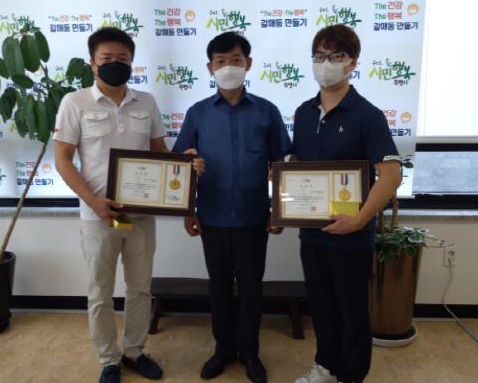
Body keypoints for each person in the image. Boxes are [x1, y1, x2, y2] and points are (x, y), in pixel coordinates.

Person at [54, 27, 203, 383]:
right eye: (106, 58)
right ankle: (109, 359)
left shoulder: (146, 102)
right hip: (97, 216)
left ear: (132, 62)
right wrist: (94, 202)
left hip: (141, 215)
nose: (115, 63)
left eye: (122, 58)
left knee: (140, 288)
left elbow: (159, 153)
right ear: (93, 63)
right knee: (100, 292)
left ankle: (134, 351)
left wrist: (185, 164)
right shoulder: (74, 103)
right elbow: (62, 160)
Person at [173, 31, 292, 383]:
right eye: (220, 61)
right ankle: (223, 349)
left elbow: (282, 165)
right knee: (220, 287)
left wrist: (280, 210)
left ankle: (250, 353)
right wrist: (188, 210)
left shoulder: (267, 111)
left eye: (235, 60)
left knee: (252, 288)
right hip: (212, 216)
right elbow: (181, 164)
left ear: (248, 64)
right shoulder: (197, 113)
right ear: (210, 67)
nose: (228, 67)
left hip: (254, 216)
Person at [292, 24, 401, 383]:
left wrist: (359, 219)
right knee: (321, 306)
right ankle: (326, 365)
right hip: (312, 233)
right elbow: (298, 167)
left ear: (352, 62)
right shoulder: (304, 113)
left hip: (352, 236)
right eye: (320, 56)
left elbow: (390, 176)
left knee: (352, 310)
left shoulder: (368, 115)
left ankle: (351, 375)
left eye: (336, 56)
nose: (326, 64)